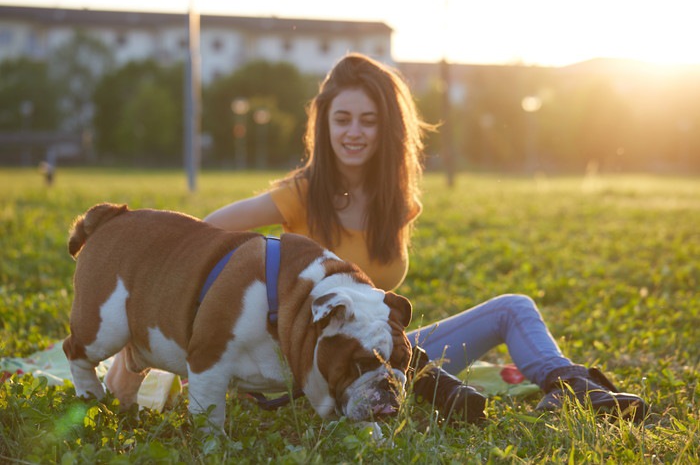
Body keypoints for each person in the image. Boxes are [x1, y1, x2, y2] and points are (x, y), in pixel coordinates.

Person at [205, 53, 647, 424]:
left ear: (386, 129)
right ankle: (435, 389)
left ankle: (573, 388)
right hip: (314, 362)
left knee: (514, 307)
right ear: (325, 125)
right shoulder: (299, 194)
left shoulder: (395, 203)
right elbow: (205, 233)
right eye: (342, 119)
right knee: (401, 361)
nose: (353, 132)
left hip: (387, 355)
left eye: (367, 121)